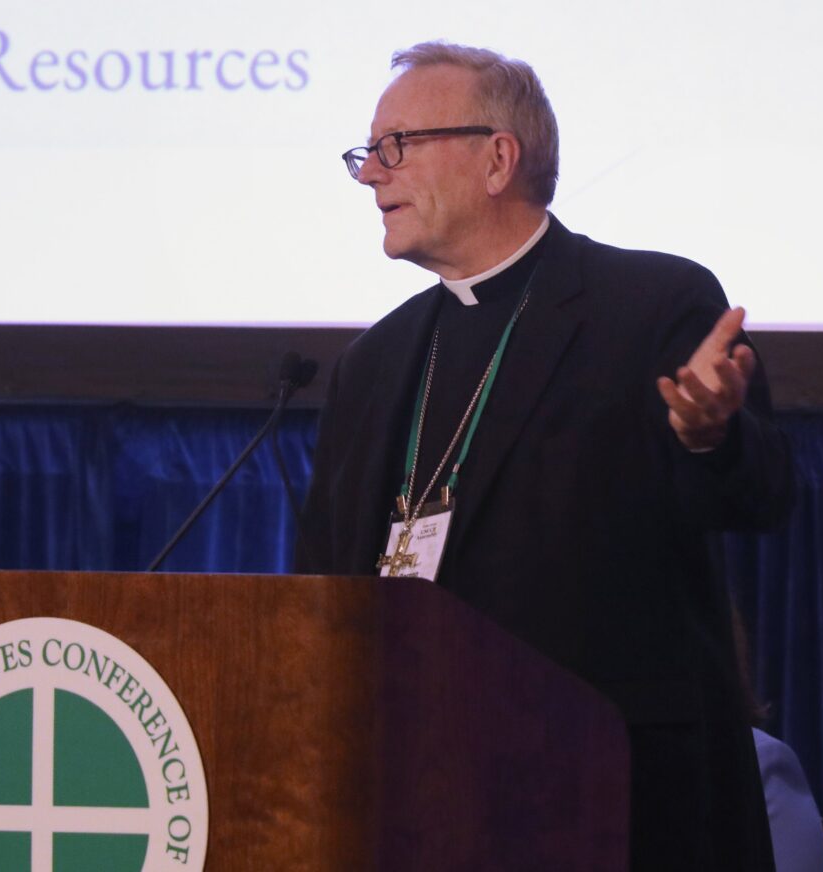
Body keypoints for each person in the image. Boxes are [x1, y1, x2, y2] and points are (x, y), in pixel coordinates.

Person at [297, 41, 795, 870]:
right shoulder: (371, 365)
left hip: (615, 799)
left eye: (396, 148)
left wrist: (708, 438)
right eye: (366, 152)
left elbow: (765, 498)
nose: (369, 175)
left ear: (497, 159)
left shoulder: (651, 306)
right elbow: (324, 589)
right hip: (412, 798)